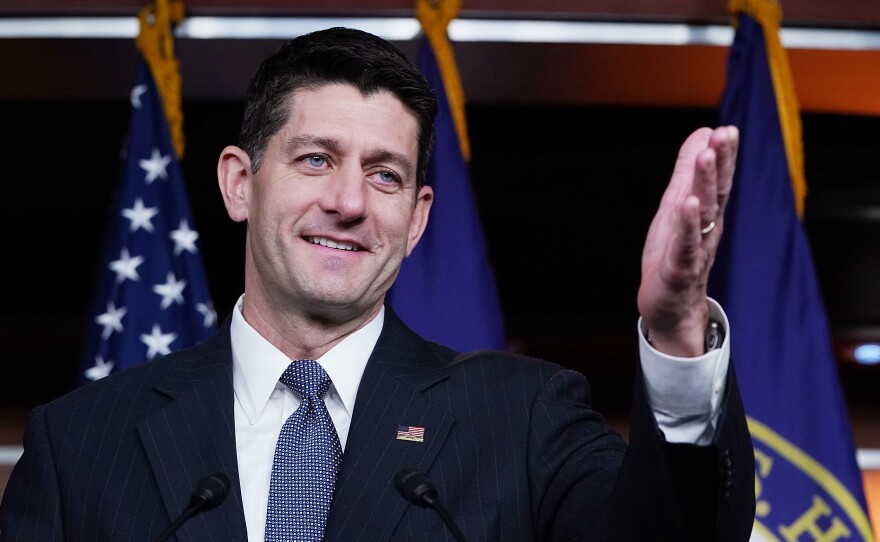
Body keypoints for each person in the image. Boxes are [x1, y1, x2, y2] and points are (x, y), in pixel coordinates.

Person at [0, 27, 755, 541]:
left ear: (417, 217)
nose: (351, 203)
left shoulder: (520, 419)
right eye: (316, 160)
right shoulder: (78, 445)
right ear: (239, 183)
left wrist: (675, 333)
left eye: (384, 175)